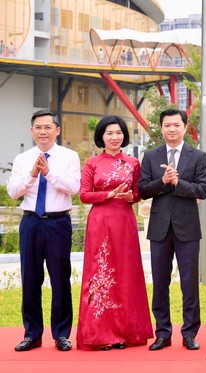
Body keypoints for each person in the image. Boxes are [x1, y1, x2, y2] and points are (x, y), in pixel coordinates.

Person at [76, 115, 153, 350]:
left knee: (126, 274)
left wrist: (131, 197)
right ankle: (100, 335)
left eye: (118, 132)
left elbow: (139, 193)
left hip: (125, 221)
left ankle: (126, 333)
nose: (114, 137)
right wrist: (109, 195)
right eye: (109, 133)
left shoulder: (132, 163)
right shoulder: (92, 163)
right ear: (101, 136)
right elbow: (84, 195)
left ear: (124, 136)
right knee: (99, 274)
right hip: (100, 222)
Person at [7, 109, 81, 351]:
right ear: (32, 131)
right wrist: (32, 175)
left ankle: (61, 334)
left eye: (48, 127)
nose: (43, 131)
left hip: (58, 222)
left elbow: (74, 187)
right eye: (38, 127)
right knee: (30, 278)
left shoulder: (69, 156)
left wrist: (49, 174)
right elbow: (13, 191)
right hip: (31, 222)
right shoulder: (22, 158)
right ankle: (32, 334)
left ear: (57, 130)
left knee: (60, 278)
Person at [139, 109, 206, 351]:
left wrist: (178, 182)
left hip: (187, 228)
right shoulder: (150, 156)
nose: (171, 129)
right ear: (161, 128)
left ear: (184, 127)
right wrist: (163, 182)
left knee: (189, 283)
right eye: (167, 125)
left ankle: (189, 333)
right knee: (160, 282)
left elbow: (202, 190)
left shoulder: (198, 156)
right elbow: (143, 190)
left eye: (176, 125)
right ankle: (163, 333)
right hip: (159, 228)